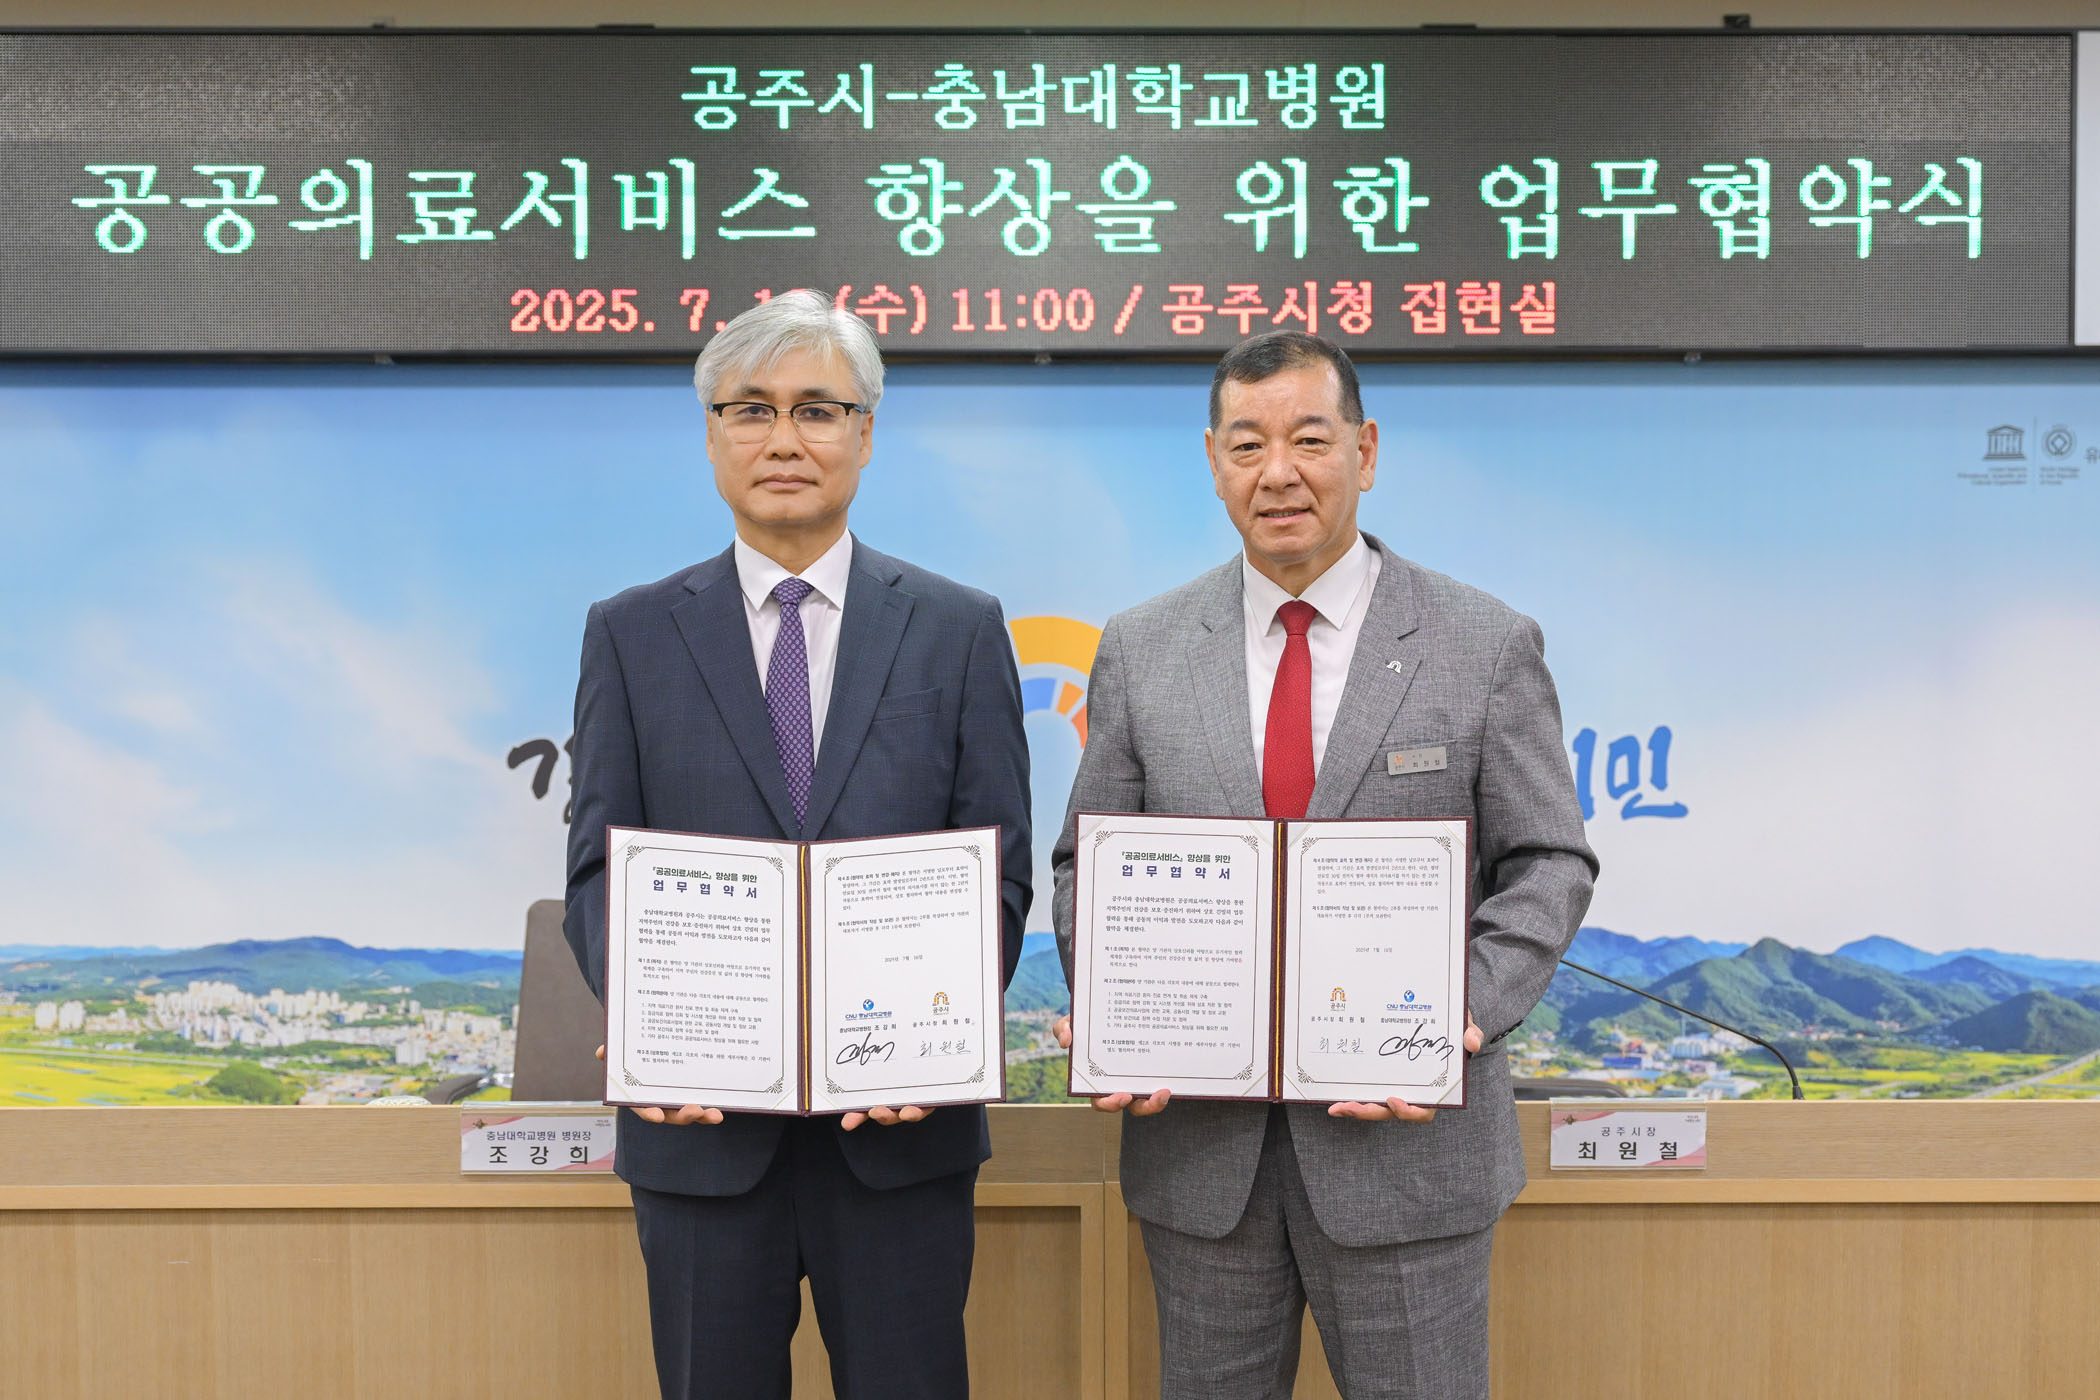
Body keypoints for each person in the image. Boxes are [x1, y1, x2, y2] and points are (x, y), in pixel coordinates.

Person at [1051, 331, 1596, 1400]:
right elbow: (1088, 861)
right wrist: (1113, 1005)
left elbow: (1548, 860)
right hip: (1202, 1157)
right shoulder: (1142, 648)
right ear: (1214, 463)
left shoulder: (1482, 643)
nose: (1279, 472)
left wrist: (1460, 1013)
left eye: (1309, 438)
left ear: (1366, 450)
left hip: (1411, 1157)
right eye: (1248, 444)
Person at [564, 289, 1032, 1400]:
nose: (784, 439)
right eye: (752, 409)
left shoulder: (959, 627)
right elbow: (597, 870)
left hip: (902, 1135)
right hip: (702, 1134)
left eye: (818, 409)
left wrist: (939, 1038)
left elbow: (999, 868)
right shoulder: (630, 632)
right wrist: (652, 1025)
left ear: (865, 434)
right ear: (712, 435)